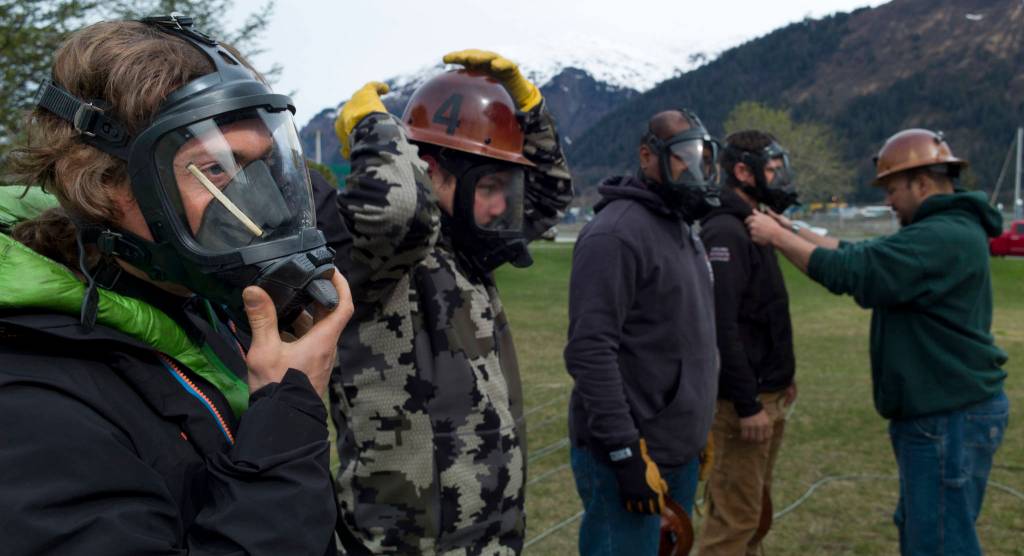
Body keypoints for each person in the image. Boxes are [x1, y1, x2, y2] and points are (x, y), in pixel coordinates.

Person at [0, 16, 353, 555]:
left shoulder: (195, 299)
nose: (265, 206)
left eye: (263, 165)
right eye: (215, 169)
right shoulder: (27, 400)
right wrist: (285, 424)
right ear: (100, 182)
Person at [331, 50, 573, 554]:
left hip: (491, 537)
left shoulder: (467, 242)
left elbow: (549, 197)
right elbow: (398, 211)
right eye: (489, 187)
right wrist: (374, 127)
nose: (502, 205)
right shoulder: (379, 254)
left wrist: (527, 107)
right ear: (428, 168)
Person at [746, 129, 1009, 556]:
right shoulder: (945, 229)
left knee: (939, 542)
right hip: (946, 412)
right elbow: (860, 253)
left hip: (947, 417)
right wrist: (791, 228)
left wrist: (774, 237)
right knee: (927, 531)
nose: (888, 201)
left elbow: (852, 272)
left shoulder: (939, 237)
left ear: (922, 183)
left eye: (892, 189)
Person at [563, 109, 720, 556]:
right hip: (629, 457)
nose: (695, 169)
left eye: (702, 157)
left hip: (677, 450)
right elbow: (590, 351)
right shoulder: (614, 235)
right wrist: (625, 453)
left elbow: (691, 337)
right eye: (684, 156)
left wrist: (698, 422)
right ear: (648, 156)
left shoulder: (682, 229)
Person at [698, 131, 798, 555]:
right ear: (742, 171)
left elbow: (766, 311)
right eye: (771, 169)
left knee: (754, 514)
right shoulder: (725, 230)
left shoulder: (757, 224)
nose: (778, 177)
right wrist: (747, 403)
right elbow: (724, 327)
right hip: (743, 404)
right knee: (733, 522)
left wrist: (782, 376)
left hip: (768, 392)